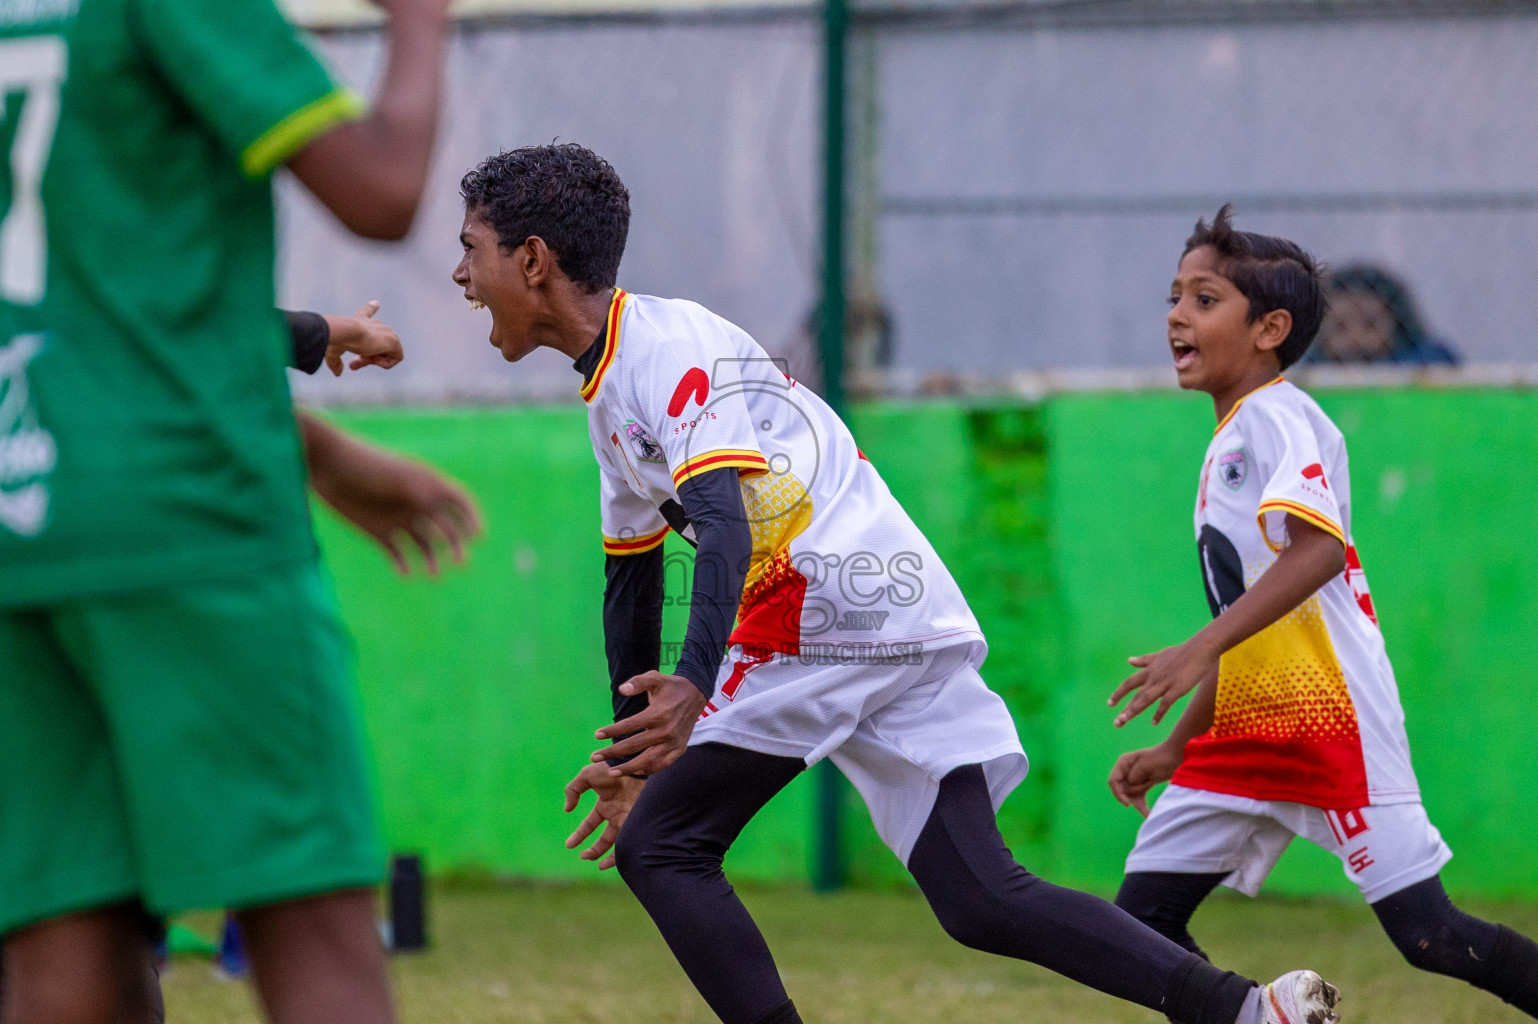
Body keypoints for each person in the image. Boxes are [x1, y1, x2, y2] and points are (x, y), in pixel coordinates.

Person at [451, 143, 1339, 1024]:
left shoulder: (667, 346)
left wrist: (688, 691)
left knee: (666, 847)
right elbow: (632, 583)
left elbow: (722, 520)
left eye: (471, 250)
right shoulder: (612, 394)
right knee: (981, 896)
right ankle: (1252, 1014)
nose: (460, 275)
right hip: (883, 616)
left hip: (832, 610)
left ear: (532, 260)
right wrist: (632, 752)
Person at [0, 0, 451, 1020]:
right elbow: (381, 190)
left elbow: (89, 299)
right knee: (316, 938)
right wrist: (422, 25)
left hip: (22, 523)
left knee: (62, 956)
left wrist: (322, 429)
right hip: (186, 522)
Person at [1106, 206, 1538, 1018]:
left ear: (1269, 329)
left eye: (1204, 300)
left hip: (1333, 722)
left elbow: (1320, 552)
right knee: (1142, 922)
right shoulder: (1232, 435)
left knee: (1429, 936)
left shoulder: (1278, 414)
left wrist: (1196, 647)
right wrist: (1175, 746)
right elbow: (1255, 625)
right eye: (1175, 297)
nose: (1176, 315)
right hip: (1243, 729)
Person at [1310, 264, 1458, 366]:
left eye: (1370, 325)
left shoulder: (1426, 368)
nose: (1356, 338)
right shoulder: (1306, 377)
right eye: (1340, 327)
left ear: (1397, 329)